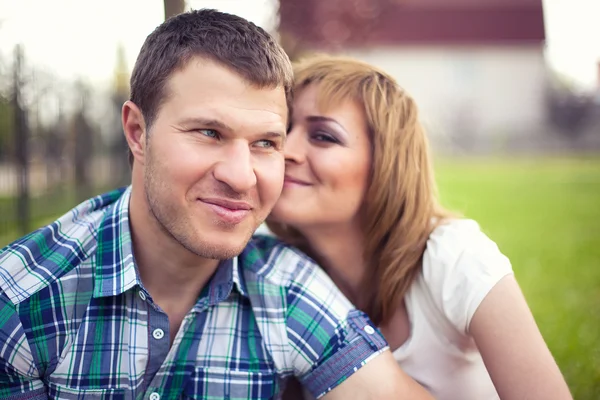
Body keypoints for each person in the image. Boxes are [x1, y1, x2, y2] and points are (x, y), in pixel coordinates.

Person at [0, 11, 433, 400]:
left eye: (265, 143)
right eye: (209, 132)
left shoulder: (287, 289)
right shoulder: (22, 302)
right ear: (137, 132)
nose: (241, 175)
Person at [266, 55, 573, 400]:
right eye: (282, 130)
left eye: (323, 136)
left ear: (385, 165)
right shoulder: (270, 267)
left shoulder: (455, 257)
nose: (285, 150)